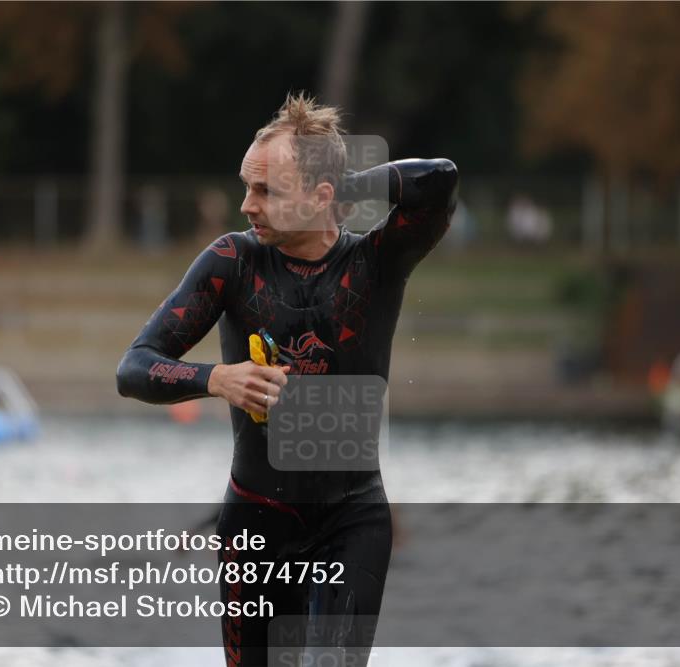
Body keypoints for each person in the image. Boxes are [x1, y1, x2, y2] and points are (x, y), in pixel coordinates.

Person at [117, 92, 457, 666]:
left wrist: (341, 186)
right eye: (246, 186)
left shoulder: (376, 261)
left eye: (265, 190)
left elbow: (439, 181)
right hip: (254, 522)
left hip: (351, 522)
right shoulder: (232, 262)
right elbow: (134, 367)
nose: (246, 204)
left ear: (322, 196)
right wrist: (215, 378)